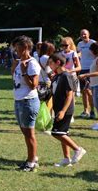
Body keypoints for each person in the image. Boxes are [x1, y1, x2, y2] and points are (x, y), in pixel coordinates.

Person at [48, 53, 87, 167]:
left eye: (51, 63)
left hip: (65, 109)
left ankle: (78, 149)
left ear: (58, 63)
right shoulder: (56, 76)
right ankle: (66, 159)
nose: (49, 65)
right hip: (57, 108)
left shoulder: (66, 76)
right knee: (63, 133)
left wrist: (63, 111)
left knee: (56, 132)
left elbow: (70, 95)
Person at [11, 36, 41, 172]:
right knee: (25, 132)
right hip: (19, 100)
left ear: (25, 48)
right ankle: (32, 157)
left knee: (29, 133)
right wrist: (15, 68)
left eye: (17, 47)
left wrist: (24, 72)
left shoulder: (32, 63)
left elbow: (33, 85)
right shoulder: (19, 62)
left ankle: (31, 162)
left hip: (28, 101)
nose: (15, 49)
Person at [78, 42, 98, 130]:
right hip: (94, 84)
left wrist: (85, 75)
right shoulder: (96, 58)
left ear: (95, 50)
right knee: (96, 103)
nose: (90, 51)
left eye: (91, 50)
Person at [77, 29, 96, 119]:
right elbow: (79, 54)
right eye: (81, 34)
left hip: (91, 69)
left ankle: (92, 111)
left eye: (84, 34)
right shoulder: (80, 44)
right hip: (82, 68)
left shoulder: (93, 43)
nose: (83, 35)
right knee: (83, 91)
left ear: (88, 34)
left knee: (88, 91)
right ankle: (86, 110)